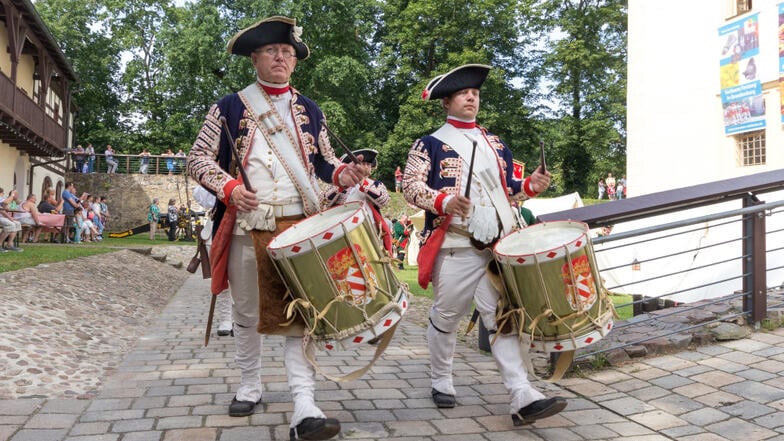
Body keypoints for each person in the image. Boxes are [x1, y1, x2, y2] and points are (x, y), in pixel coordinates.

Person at [187, 16, 369, 440]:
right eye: (272, 51)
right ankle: (250, 385)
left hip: (301, 224)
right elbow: (198, 159)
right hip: (249, 224)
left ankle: (304, 403)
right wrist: (230, 188)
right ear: (255, 58)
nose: (281, 57)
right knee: (248, 315)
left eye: (287, 53)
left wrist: (342, 174)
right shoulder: (229, 106)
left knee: (305, 314)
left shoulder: (310, 108)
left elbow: (323, 162)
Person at [402, 64, 565, 426]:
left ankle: (521, 394)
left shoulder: (495, 144)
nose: (472, 97)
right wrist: (444, 201)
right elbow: (410, 187)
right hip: (455, 246)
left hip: (496, 247)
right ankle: (441, 378)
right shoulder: (428, 143)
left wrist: (531, 186)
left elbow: (509, 192)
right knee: (446, 316)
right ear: (447, 102)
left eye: (475, 93)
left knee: (500, 318)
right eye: (463, 93)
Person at [193, 184, 233, 337]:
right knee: (221, 276)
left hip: (244, 227)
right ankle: (225, 318)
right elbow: (203, 198)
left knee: (242, 279)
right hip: (217, 227)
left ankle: (239, 318)